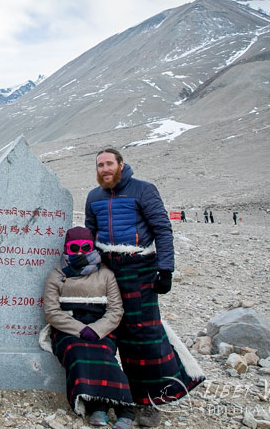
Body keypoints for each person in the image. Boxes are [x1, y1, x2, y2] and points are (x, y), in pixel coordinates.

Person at [85, 148, 204, 427]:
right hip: (108, 270)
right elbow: (91, 234)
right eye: (100, 165)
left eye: (109, 164)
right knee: (107, 329)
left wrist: (166, 269)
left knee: (145, 334)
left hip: (140, 268)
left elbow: (162, 230)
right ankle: (108, 395)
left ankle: (152, 402)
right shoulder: (94, 196)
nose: (104, 169)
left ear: (121, 165)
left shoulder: (144, 190)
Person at [43, 226, 134, 428]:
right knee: (77, 352)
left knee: (104, 355)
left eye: (85, 247)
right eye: (74, 247)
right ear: (66, 249)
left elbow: (115, 309)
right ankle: (96, 406)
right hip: (67, 328)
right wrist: (80, 329)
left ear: (92, 247)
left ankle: (124, 407)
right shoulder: (56, 275)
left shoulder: (106, 275)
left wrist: (96, 329)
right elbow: (51, 311)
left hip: (100, 327)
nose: (80, 252)